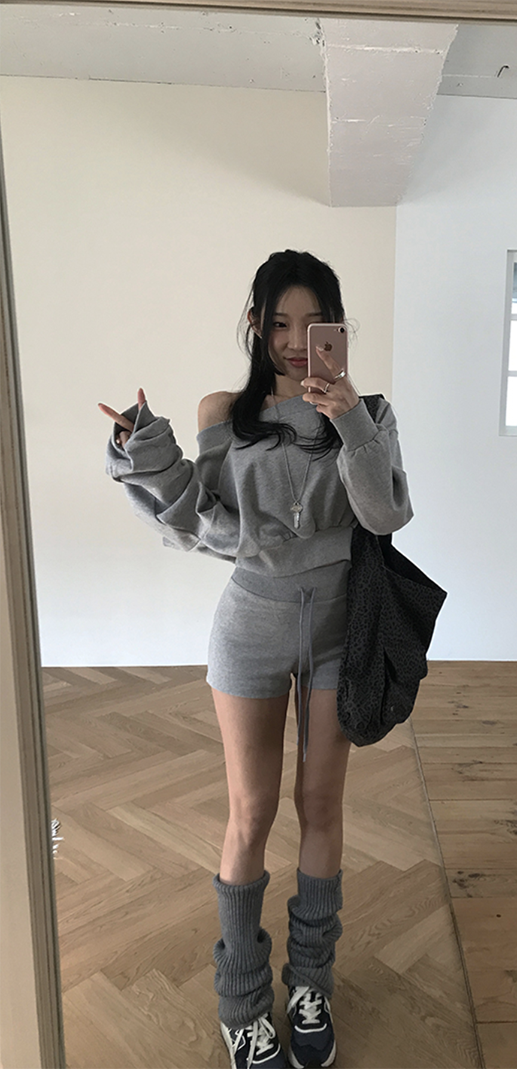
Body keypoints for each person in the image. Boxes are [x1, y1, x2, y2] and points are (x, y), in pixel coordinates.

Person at [99, 249, 413, 1069]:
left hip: (342, 628)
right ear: (255, 325)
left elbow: (383, 515)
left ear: (337, 326)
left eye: (314, 325)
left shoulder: (370, 412)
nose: (297, 342)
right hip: (251, 622)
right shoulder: (222, 412)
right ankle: (241, 1002)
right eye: (279, 323)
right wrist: (148, 453)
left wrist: (350, 421)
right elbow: (195, 524)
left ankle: (311, 984)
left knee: (322, 804)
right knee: (251, 812)